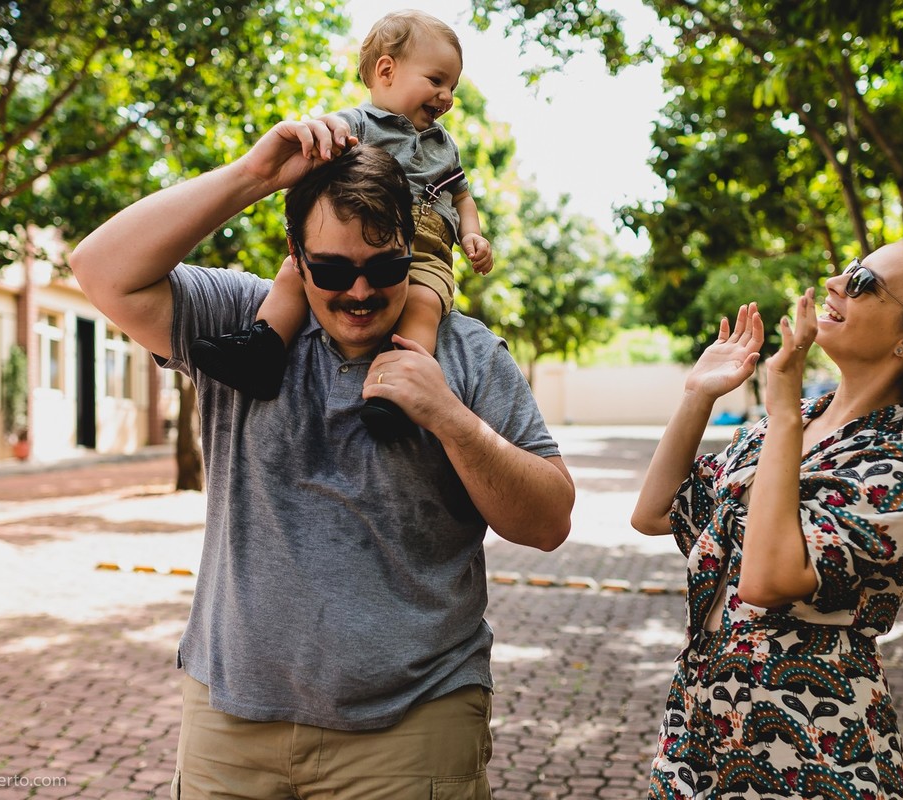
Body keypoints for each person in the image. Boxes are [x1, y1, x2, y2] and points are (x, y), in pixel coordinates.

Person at [68, 119, 574, 799]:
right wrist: (251, 175)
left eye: (383, 267)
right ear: (296, 258)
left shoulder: (467, 353)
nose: (359, 293)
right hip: (231, 719)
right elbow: (99, 270)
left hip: (412, 724)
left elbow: (549, 520)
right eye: (332, 270)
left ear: (413, 251)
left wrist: (453, 420)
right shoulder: (244, 327)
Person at [631, 228, 903, 799]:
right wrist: (698, 396)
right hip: (700, 742)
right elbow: (655, 514)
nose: (834, 283)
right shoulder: (794, 416)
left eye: (864, 282)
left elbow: (768, 579)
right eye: (850, 267)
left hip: (815, 754)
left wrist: (784, 418)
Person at [190, 10, 492, 440]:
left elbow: (461, 196)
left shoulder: (444, 145)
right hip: (355, 239)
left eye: (452, 88)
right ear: (386, 70)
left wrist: (471, 233)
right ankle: (264, 347)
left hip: (426, 249)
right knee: (295, 271)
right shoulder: (355, 125)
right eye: (437, 81)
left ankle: (399, 391)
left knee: (423, 304)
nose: (447, 97)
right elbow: (319, 159)